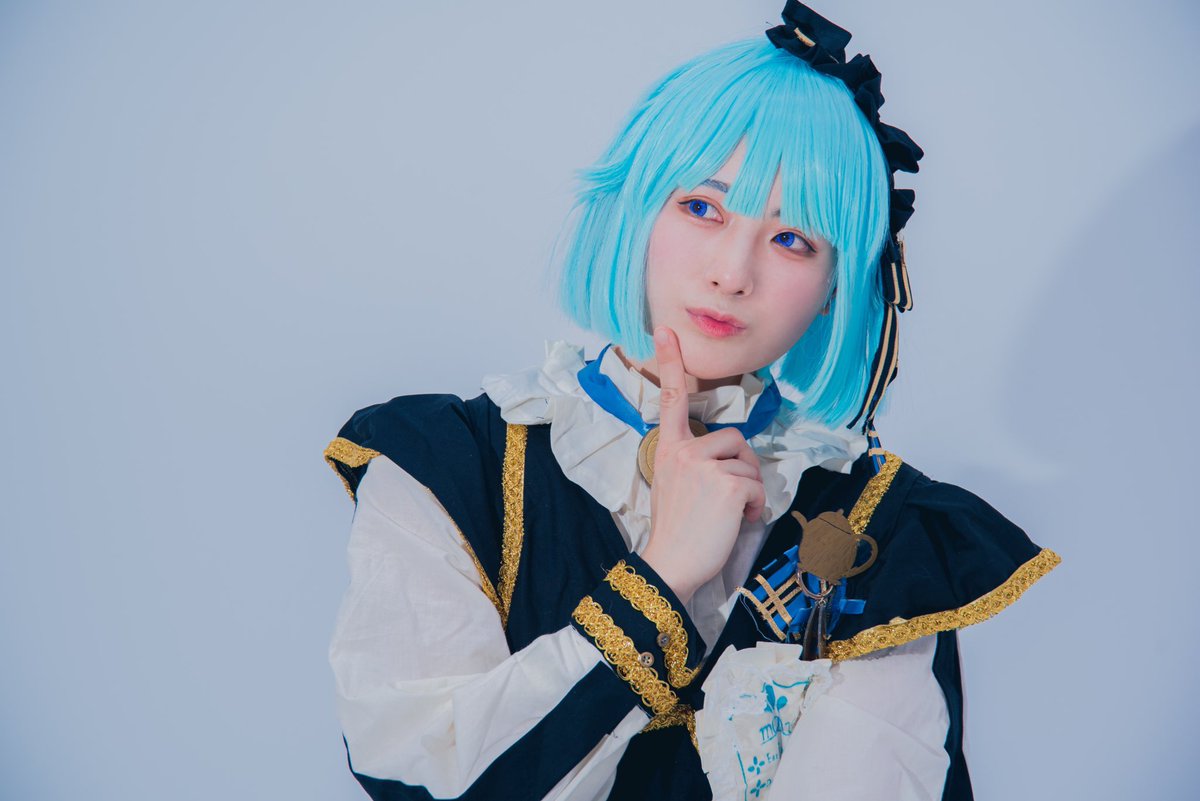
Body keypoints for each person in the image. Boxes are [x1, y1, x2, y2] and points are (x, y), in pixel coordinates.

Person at [324, 3, 1060, 799]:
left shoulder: (884, 531)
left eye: (793, 239)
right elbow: (428, 782)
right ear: (637, 207)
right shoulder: (447, 465)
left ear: (833, 288)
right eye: (702, 207)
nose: (732, 273)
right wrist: (664, 573)